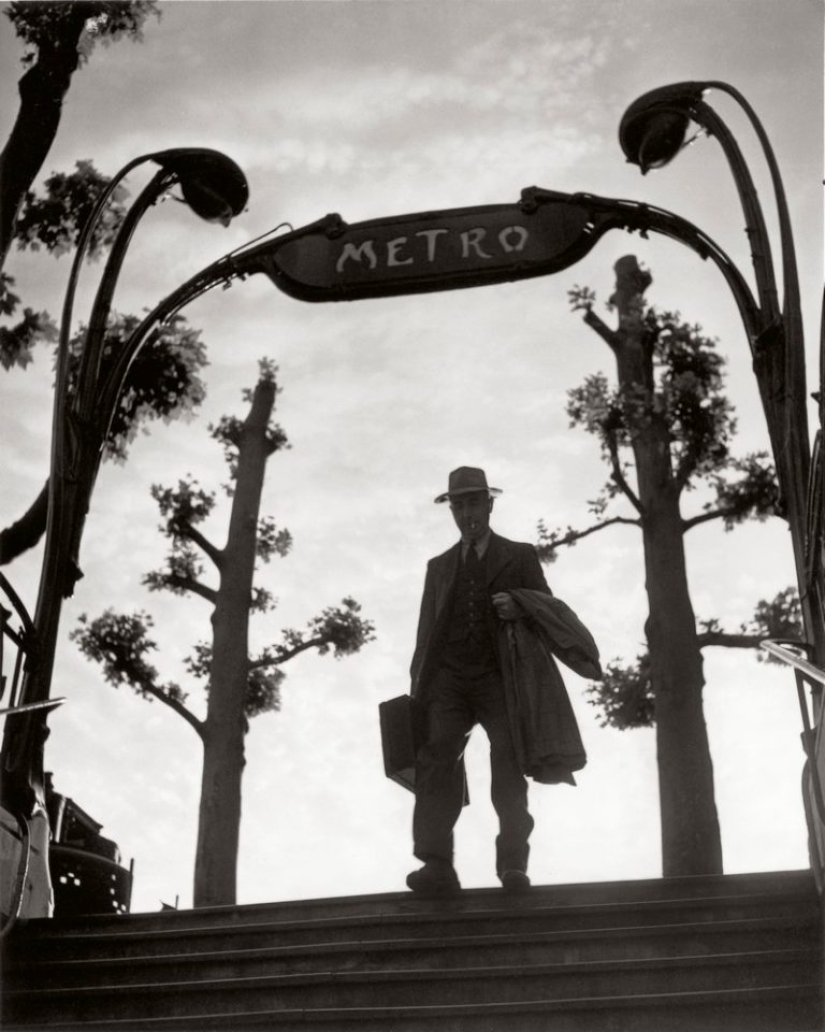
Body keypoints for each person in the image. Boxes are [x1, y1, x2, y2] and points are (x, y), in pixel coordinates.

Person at [406, 465, 554, 896]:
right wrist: (420, 690)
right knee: (436, 760)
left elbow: (550, 612)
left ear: (489, 505)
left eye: (474, 502)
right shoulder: (438, 567)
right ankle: (437, 865)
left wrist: (522, 606)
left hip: (500, 677)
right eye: (459, 504)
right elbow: (425, 633)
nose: (467, 512)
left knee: (508, 762)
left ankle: (512, 865)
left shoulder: (520, 555)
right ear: (451, 510)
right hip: (448, 681)